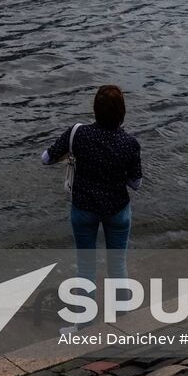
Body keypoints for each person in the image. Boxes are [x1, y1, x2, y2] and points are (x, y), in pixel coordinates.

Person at [42, 85, 143, 284]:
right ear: (122, 112)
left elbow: (46, 159)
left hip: (83, 208)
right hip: (117, 209)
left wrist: (71, 154)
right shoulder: (129, 143)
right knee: (118, 266)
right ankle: (120, 309)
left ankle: (86, 314)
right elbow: (136, 183)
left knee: (85, 269)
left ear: (95, 109)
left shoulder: (77, 133)